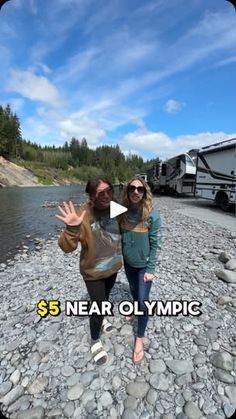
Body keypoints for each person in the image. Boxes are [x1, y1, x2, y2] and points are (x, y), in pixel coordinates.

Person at [56, 176, 122, 366]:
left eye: (109, 191)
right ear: (91, 196)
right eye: (101, 193)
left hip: (113, 267)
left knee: (106, 297)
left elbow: (132, 216)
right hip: (92, 272)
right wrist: (71, 229)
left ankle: (102, 320)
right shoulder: (83, 215)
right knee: (98, 306)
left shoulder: (115, 208)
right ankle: (94, 339)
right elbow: (66, 247)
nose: (107, 196)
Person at [120, 176, 161, 364]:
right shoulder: (121, 211)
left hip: (144, 266)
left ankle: (139, 338)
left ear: (145, 192)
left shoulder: (152, 214)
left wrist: (151, 268)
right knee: (134, 290)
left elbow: (155, 244)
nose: (136, 192)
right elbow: (98, 213)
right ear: (127, 191)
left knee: (143, 302)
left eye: (140, 189)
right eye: (132, 188)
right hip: (128, 263)